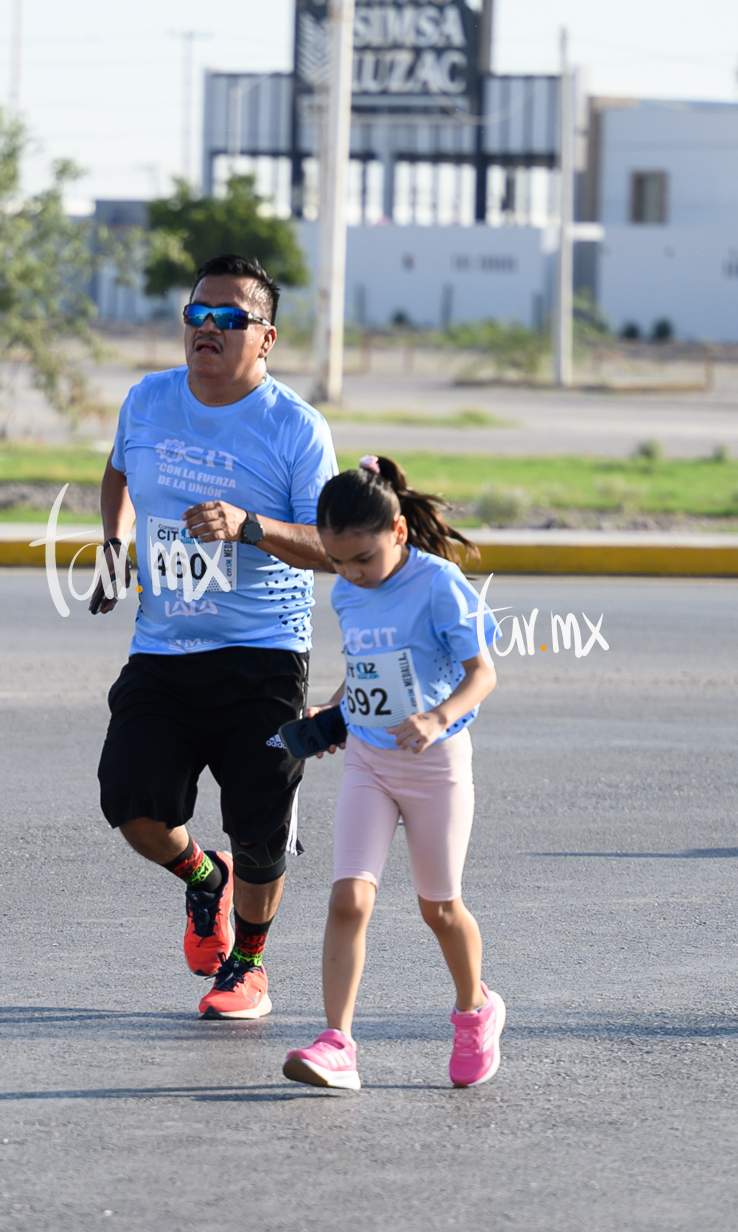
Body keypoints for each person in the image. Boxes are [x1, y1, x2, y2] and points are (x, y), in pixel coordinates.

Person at [88, 253, 337, 1021]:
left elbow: (335, 545)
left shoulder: (295, 428)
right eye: (199, 314)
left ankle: (248, 964)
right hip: (164, 647)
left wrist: (249, 526)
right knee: (130, 802)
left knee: (260, 822)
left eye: (230, 318)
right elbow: (116, 470)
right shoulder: (149, 400)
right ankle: (205, 880)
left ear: (265, 338)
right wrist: (111, 546)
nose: (209, 328)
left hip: (263, 652)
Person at [279, 455, 503, 1090]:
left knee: (439, 908)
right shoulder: (349, 590)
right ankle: (337, 1043)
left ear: (398, 532)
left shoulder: (438, 585)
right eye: (338, 561)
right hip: (370, 763)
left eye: (363, 560)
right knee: (350, 896)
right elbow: (367, 666)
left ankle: (475, 1010)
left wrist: (437, 719)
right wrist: (337, 708)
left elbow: (482, 672)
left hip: (435, 765)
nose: (350, 575)